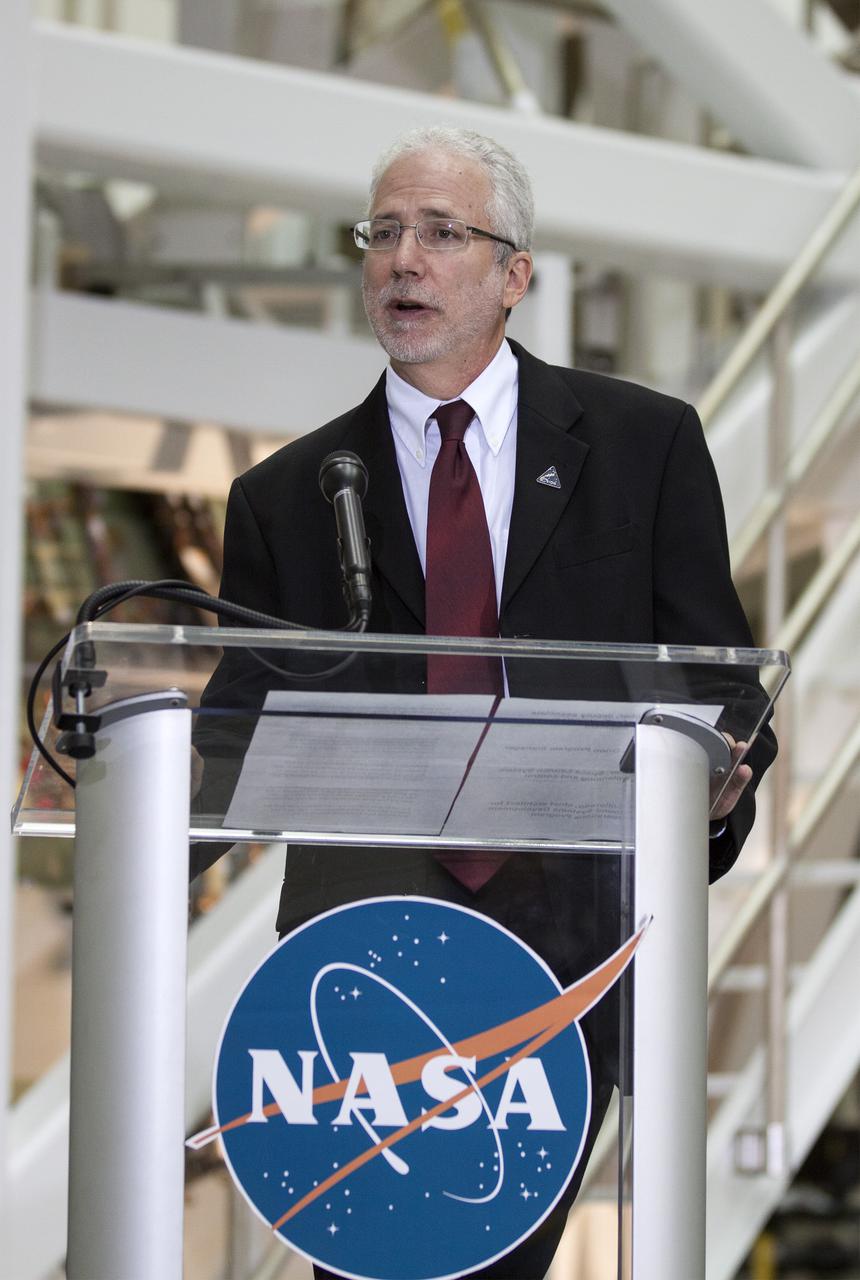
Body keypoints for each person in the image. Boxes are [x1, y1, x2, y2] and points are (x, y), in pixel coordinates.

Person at [197, 126, 775, 1279]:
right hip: (356, 962)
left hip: (566, 949)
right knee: (379, 1264)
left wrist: (710, 789)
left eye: (441, 232)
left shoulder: (641, 446)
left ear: (514, 273)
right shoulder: (285, 496)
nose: (403, 259)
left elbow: (718, 683)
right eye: (385, 232)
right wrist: (125, 820)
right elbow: (229, 735)